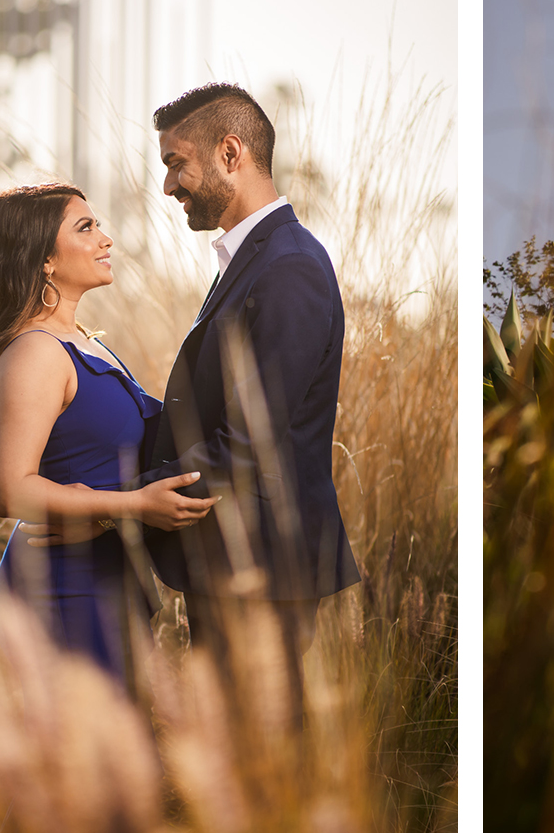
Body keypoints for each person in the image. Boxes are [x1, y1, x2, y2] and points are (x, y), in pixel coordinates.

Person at [137, 82, 360, 681]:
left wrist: (132, 502)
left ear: (230, 154)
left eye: (175, 163)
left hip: (262, 569)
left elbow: (246, 439)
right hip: (234, 559)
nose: (168, 186)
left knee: (260, 758)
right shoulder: (254, 259)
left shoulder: (287, 267)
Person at [0, 183, 217, 684]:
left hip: (104, 570)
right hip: (62, 586)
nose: (107, 239)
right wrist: (135, 507)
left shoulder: (81, 341)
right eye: (86, 227)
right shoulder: (36, 351)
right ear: (44, 261)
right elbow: (10, 488)